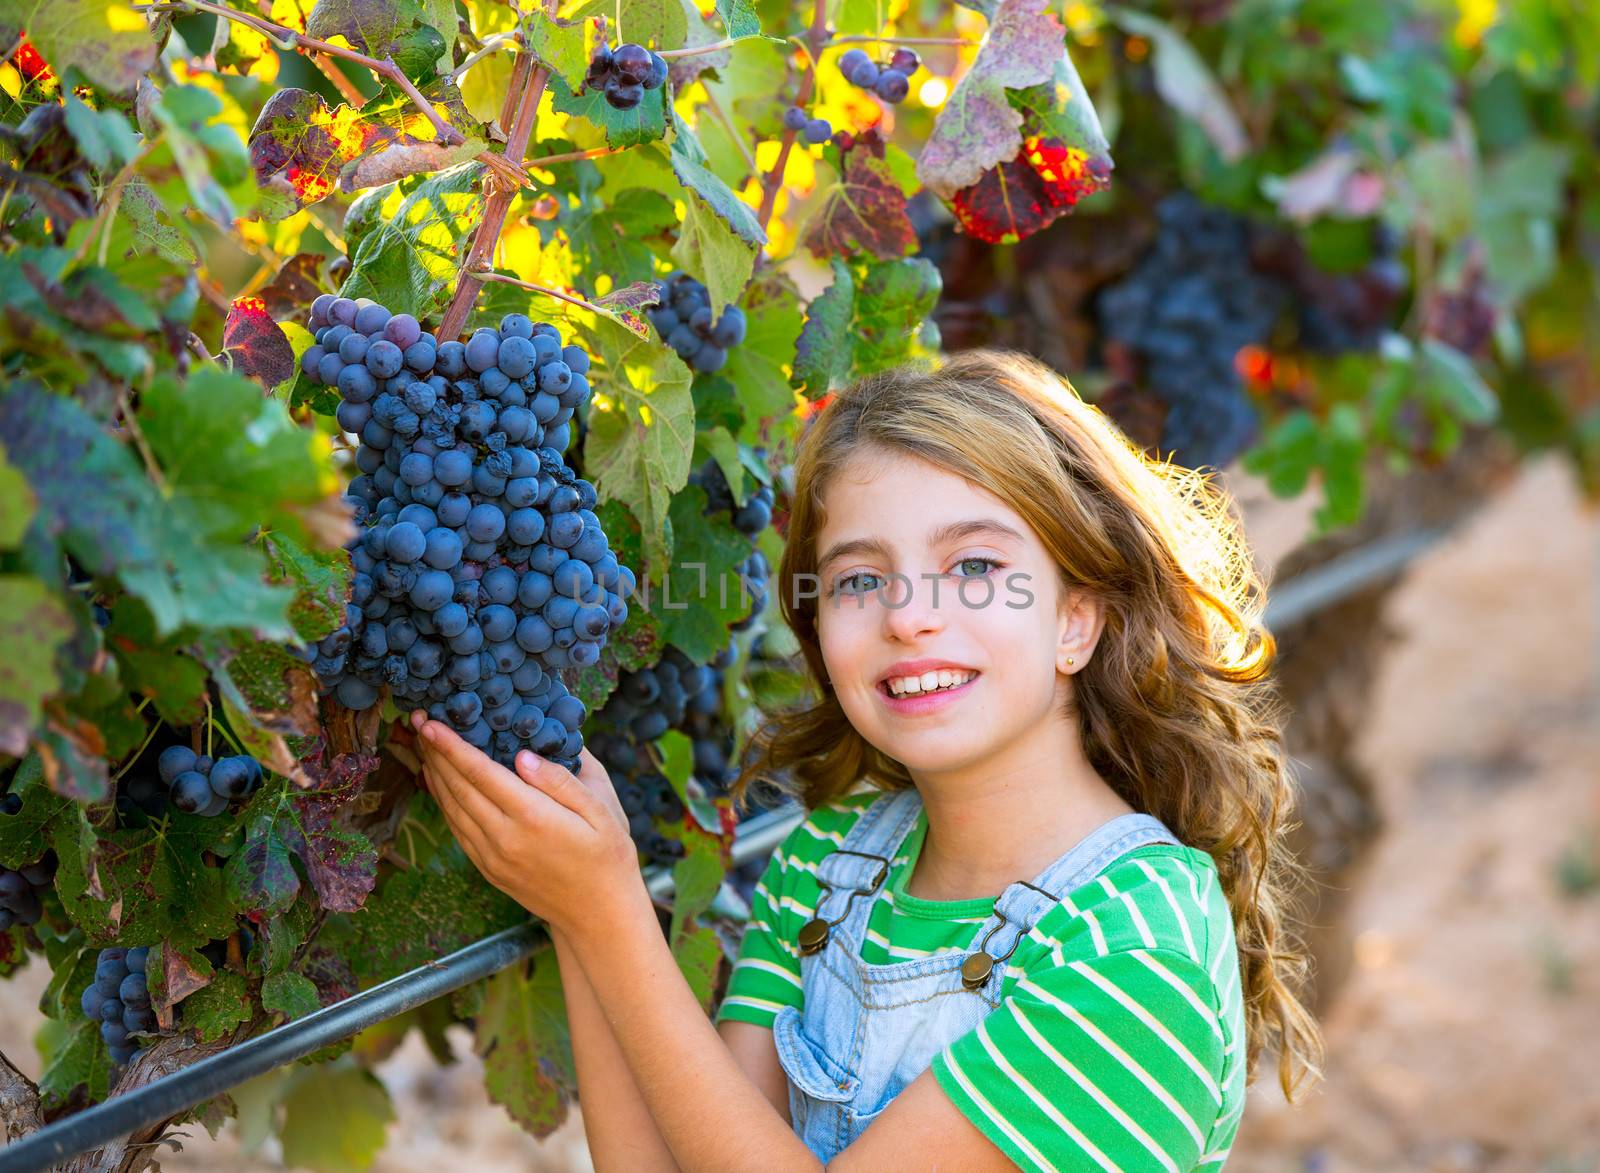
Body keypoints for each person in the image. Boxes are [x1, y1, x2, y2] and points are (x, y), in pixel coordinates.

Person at [410, 348, 1325, 1171]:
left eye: (974, 566)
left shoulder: (1131, 945)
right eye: (857, 578)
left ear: (1077, 621)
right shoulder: (829, 864)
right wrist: (575, 906)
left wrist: (611, 912)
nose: (907, 613)